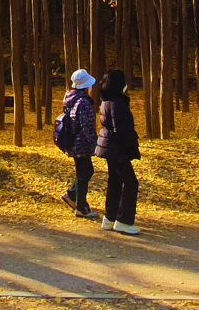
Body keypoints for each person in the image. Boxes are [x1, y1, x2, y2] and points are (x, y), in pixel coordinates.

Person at [94, 69, 141, 235]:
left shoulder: (107, 101)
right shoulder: (117, 104)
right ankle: (123, 221)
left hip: (110, 147)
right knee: (131, 182)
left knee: (115, 181)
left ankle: (110, 217)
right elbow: (121, 130)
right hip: (116, 148)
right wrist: (130, 147)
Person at [60, 69, 100, 220]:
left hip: (72, 142)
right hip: (81, 144)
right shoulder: (83, 102)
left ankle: (71, 194)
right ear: (86, 85)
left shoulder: (71, 99)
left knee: (86, 171)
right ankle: (81, 207)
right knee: (84, 173)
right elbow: (87, 126)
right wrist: (95, 145)